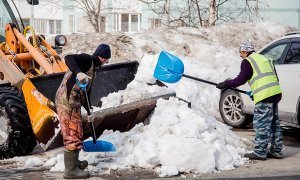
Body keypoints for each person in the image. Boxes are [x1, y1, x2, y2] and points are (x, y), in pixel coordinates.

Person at [216, 39, 283, 160]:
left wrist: (226, 83)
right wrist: (255, 91)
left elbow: (240, 79)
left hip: (265, 95)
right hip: (275, 92)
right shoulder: (265, 59)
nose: (240, 55)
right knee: (274, 123)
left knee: (261, 124)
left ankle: (260, 152)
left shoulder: (248, 61)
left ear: (245, 51)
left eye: (241, 52)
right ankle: (277, 150)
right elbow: (271, 77)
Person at [55, 44, 111, 179]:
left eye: (106, 59)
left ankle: (74, 163)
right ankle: (70, 171)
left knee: (77, 131)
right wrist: (78, 72)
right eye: (104, 58)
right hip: (66, 102)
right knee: (72, 132)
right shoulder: (87, 59)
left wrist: (89, 109)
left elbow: (86, 93)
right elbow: (68, 58)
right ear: (99, 56)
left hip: (74, 103)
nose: (105, 61)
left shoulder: (93, 69)